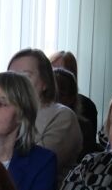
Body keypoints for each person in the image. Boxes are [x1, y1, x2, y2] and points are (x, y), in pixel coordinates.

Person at [8, 48, 83, 180]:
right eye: (11, 77)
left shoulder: (62, 116)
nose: (17, 83)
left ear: (45, 82)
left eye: (26, 76)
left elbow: (37, 166)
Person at [52, 65, 101, 159]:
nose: (53, 99)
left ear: (71, 98)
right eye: (49, 93)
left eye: (59, 95)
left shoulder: (83, 127)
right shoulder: (33, 121)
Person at [50, 49, 98, 139]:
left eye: (60, 70)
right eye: (51, 69)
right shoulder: (37, 103)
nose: (54, 74)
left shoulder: (87, 106)